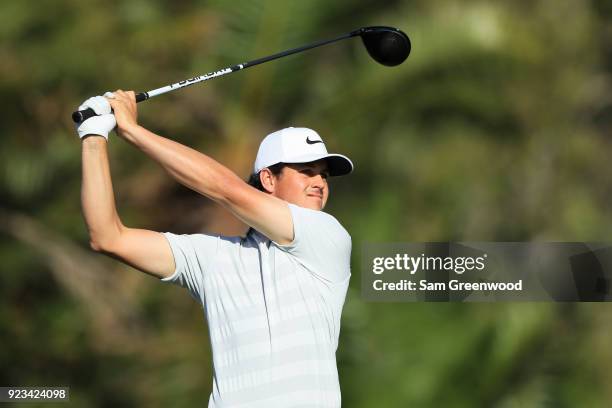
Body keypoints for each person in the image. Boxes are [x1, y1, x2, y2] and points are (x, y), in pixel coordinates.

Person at [77, 90, 354, 407]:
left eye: (324, 174)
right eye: (306, 171)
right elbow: (108, 237)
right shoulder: (213, 257)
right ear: (268, 179)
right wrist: (94, 135)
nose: (319, 182)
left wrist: (134, 131)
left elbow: (227, 191)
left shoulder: (328, 236)